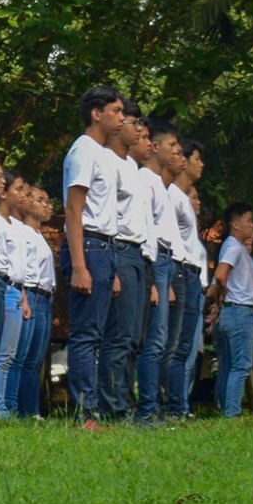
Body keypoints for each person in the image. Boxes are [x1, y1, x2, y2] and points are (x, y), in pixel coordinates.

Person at [62, 87, 124, 418]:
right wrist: (79, 265)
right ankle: (85, 412)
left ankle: (94, 409)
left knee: (97, 334)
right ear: (96, 113)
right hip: (88, 244)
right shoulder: (83, 151)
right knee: (85, 334)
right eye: (115, 110)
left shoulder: (103, 154)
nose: (122, 117)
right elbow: (74, 210)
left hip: (105, 247)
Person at [133, 117, 183, 421]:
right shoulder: (144, 180)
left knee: (162, 339)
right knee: (153, 340)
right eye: (172, 145)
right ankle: (148, 408)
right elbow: (146, 231)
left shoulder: (160, 185)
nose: (176, 151)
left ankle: (157, 405)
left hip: (166, 262)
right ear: (154, 147)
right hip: (154, 261)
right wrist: (152, 276)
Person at [106, 107, 153, 420]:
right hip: (119, 250)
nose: (139, 132)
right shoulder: (110, 162)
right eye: (136, 125)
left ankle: (126, 401)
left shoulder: (133, 170)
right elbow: (103, 216)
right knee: (119, 335)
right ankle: (114, 405)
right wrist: (111, 266)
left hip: (137, 254)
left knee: (133, 337)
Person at [0, 169, 35, 416]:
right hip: (2, 286)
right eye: (17, 190)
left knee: (12, 354)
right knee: (0, 352)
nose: (22, 196)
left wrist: (24, 295)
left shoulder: (15, 225)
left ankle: (3, 402)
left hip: (16, 289)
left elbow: (18, 265)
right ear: (3, 194)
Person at [164, 142, 208, 415]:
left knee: (185, 347)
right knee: (176, 345)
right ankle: (173, 404)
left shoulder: (182, 197)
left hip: (192, 274)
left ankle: (180, 404)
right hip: (180, 271)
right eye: (196, 158)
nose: (199, 164)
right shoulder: (171, 195)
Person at [210, 204, 253, 416]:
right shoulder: (233, 247)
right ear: (235, 224)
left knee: (229, 366)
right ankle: (231, 413)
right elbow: (221, 275)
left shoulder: (237, 248)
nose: (251, 225)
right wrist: (225, 296)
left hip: (233, 311)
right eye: (248, 221)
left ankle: (223, 407)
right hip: (239, 310)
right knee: (241, 366)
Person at [13, 188, 57, 417]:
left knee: (37, 359)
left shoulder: (40, 235)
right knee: (26, 357)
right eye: (41, 200)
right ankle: (24, 409)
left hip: (46, 296)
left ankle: (32, 408)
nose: (47, 206)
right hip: (31, 294)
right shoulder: (21, 231)